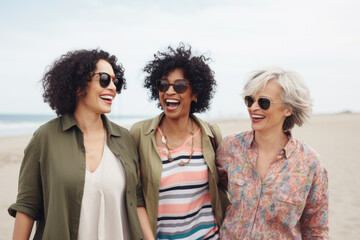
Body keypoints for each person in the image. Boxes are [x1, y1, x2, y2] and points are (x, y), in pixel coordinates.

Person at [8, 49, 153, 240]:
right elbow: (27, 206)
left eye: (116, 81)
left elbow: (137, 199)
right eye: (104, 79)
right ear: (78, 86)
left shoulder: (124, 138)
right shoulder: (45, 138)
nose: (113, 87)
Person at [130, 43, 229, 239]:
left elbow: (223, 186)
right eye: (163, 84)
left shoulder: (211, 134)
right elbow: (135, 195)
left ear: (195, 94)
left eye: (180, 86)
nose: (169, 91)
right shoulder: (139, 134)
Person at [217, 67, 329, 239]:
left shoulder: (310, 163)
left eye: (264, 102)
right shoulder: (229, 148)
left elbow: (316, 230)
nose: (253, 107)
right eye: (249, 100)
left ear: (288, 109)